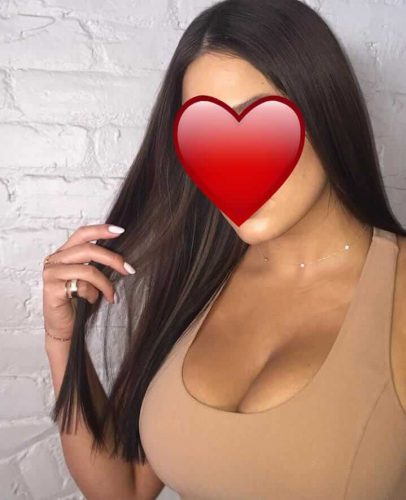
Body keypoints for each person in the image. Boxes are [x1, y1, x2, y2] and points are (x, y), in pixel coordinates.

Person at [42, 0, 406, 498]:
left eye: (263, 124)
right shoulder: (197, 273)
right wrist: (62, 339)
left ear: (327, 111)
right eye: (207, 135)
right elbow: (125, 489)